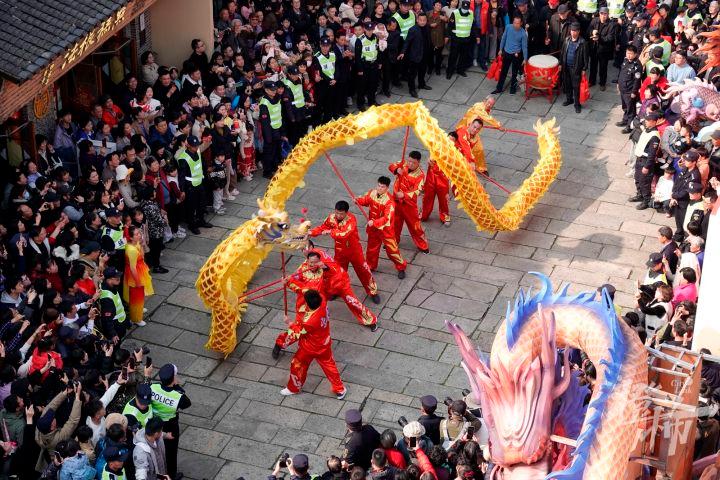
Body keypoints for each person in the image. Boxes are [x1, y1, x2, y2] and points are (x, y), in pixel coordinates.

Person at [279, 289, 347, 399]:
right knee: (330, 366)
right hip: (324, 342)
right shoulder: (323, 301)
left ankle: (293, 388)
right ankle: (340, 389)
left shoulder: (310, 321)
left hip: (309, 347)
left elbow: (299, 332)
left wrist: (290, 323)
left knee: (297, 365)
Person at [309, 200, 380, 303]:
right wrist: (312, 232)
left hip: (354, 251)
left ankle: (372, 291)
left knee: (364, 271)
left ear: (346, 213)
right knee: (337, 272)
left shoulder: (351, 220)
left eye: (341, 214)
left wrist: (331, 231)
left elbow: (344, 234)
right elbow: (323, 227)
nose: (338, 215)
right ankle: (337, 290)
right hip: (340, 251)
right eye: (336, 212)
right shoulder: (331, 218)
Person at [356, 176, 408, 279]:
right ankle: (371, 266)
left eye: (382, 187)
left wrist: (374, 222)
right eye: (378, 185)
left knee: (392, 250)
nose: (379, 188)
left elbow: (387, 218)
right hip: (374, 229)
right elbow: (366, 200)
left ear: (387, 188)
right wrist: (358, 200)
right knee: (371, 249)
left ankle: (401, 266)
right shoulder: (372, 193)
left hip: (386, 230)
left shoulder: (390, 202)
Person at [151, 364, 191, 478]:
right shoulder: (178, 396)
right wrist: (177, 386)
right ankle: (172, 475)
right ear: (173, 379)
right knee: (171, 452)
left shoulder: (153, 387)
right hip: (170, 426)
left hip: (155, 422)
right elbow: (187, 403)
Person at [390, 151, 429, 253]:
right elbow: (391, 166)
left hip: (409, 204)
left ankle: (422, 245)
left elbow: (417, 191)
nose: (410, 164)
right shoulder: (403, 163)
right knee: (395, 223)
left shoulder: (420, 175)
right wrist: (396, 169)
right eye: (409, 161)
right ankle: (393, 241)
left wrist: (405, 195)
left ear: (418, 162)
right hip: (396, 200)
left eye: (413, 163)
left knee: (415, 225)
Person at [177, 135, 212, 235]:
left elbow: (201, 164)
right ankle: (192, 225)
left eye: (197, 145)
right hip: (190, 186)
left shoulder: (197, 152)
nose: (196, 148)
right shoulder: (183, 158)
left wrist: (207, 170)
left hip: (200, 182)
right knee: (191, 207)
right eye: (194, 146)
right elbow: (181, 176)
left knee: (202, 204)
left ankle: (201, 221)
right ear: (188, 146)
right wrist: (182, 190)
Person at [629, 112, 661, 210]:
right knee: (637, 179)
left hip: (645, 161)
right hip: (639, 159)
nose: (645, 122)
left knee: (645, 182)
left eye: (648, 121)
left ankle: (646, 200)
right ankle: (640, 194)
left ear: (654, 122)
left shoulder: (654, 136)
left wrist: (646, 167)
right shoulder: (647, 130)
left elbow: (652, 154)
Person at [123, 225, 153, 326]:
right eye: (136, 234)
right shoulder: (131, 249)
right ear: (131, 237)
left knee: (139, 295)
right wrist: (137, 281)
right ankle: (136, 318)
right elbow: (132, 268)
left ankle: (138, 310)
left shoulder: (136, 244)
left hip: (139, 270)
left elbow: (142, 256)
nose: (139, 235)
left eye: (139, 233)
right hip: (135, 274)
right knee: (136, 296)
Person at [491, 15, 528, 95]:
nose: (515, 25)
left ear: (521, 23)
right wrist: (500, 49)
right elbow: (503, 38)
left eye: (517, 23)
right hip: (507, 53)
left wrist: (525, 59)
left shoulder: (523, 34)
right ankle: (499, 88)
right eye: (514, 22)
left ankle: (513, 89)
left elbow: (524, 47)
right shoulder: (508, 27)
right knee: (503, 71)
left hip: (516, 55)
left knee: (514, 73)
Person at [259, 81, 288, 179]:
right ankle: (267, 172)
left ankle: (275, 167)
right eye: (272, 90)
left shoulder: (278, 98)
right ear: (266, 90)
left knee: (277, 150)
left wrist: (283, 132)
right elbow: (265, 123)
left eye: (275, 89)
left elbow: (280, 115)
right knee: (269, 152)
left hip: (278, 128)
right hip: (270, 131)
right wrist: (268, 138)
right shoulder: (264, 103)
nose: (275, 91)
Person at [560, 22, 589, 114]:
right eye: (572, 31)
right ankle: (569, 99)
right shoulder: (567, 40)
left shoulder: (583, 42)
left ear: (579, 32)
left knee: (576, 87)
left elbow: (585, 57)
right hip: (566, 66)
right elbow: (562, 53)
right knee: (567, 84)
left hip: (576, 68)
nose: (573, 33)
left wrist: (584, 68)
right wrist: (561, 63)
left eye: (575, 31)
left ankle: (577, 104)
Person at [400, 15, 433, 97]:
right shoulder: (413, 30)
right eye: (420, 20)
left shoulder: (427, 27)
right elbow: (407, 42)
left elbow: (428, 39)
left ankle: (422, 84)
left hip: (424, 54)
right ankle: (412, 89)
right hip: (415, 55)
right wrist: (403, 52)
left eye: (424, 20)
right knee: (412, 74)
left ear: (426, 20)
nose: (422, 22)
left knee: (422, 71)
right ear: (417, 20)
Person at [445, 0, 477, 80]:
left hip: (466, 39)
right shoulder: (455, 13)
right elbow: (450, 27)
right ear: (461, 6)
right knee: (453, 57)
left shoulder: (471, 13)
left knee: (463, 56)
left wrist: (475, 36)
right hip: (456, 39)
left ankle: (460, 70)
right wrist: (453, 37)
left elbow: (473, 26)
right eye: (463, 8)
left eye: (466, 8)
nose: (465, 10)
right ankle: (449, 72)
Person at [588, 7, 618, 90]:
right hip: (594, 48)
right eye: (601, 14)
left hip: (604, 50)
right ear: (599, 14)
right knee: (593, 66)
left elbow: (610, 38)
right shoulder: (595, 20)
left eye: (605, 14)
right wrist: (592, 32)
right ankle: (592, 81)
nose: (603, 16)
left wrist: (599, 38)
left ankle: (602, 83)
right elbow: (588, 30)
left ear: (608, 15)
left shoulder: (611, 24)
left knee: (603, 67)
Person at [421, 147, 451, 226]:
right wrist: (429, 159)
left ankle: (445, 215)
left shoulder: (453, 152)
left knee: (443, 199)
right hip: (431, 177)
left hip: (442, 178)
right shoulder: (435, 145)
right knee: (427, 197)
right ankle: (424, 214)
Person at [99, 267, 129, 343]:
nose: (119, 278)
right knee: (116, 345)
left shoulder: (113, 287)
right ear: (109, 279)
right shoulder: (107, 298)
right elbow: (107, 319)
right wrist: (113, 334)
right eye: (116, 277)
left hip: (120, 322)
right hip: (116, 326)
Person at [616, 45, 643, 132]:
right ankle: (625, 120)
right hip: (622, 88)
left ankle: (629, 126)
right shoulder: (625, 60)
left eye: (631, 54)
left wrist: (634, 92)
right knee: (625, 107)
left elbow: (637, 80)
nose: (629, 55)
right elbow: (621, 72)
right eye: (627, 53)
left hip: (630, 90)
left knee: (631, 109)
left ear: (635, 54)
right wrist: (618, 83)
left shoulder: (637, 65)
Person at [356, 21, 382, 108]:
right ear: (364, 29)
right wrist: (360, 70)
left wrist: (379, 62)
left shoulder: (375, 37)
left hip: (374, 64)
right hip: (364, 66)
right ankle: (360, 104)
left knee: (373, 84)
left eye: (371, 29)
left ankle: (372, 101)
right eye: (368, 29)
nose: (370, 31)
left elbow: (377, 50)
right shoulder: (360, 40)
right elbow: (357, 57)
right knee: (362, 86)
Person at [282, 65, 310, 146]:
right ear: (289, 74)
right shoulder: (286, 84)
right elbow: (287, 104)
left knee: (302, 129)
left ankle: (302, 144)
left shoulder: (299, 80)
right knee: (294, 133)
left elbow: (301, 92)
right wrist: (291, 117)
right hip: (294, 111)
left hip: (301, 109)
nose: (296, 76)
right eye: (294, 74)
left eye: (297, 74)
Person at [314, 38, 340, 123]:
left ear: (330, 46)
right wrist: (330, 80)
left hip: (333, 82)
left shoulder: (333, 54)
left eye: (327, 46)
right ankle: (320, 122)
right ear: (320, 45)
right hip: (323, 84)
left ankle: (329, 119)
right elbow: (319, 72)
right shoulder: (317, 57)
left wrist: (335, 79)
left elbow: (336, 68)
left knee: (331, 102)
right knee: (322, 104)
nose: (325, 48)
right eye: (323, 46)